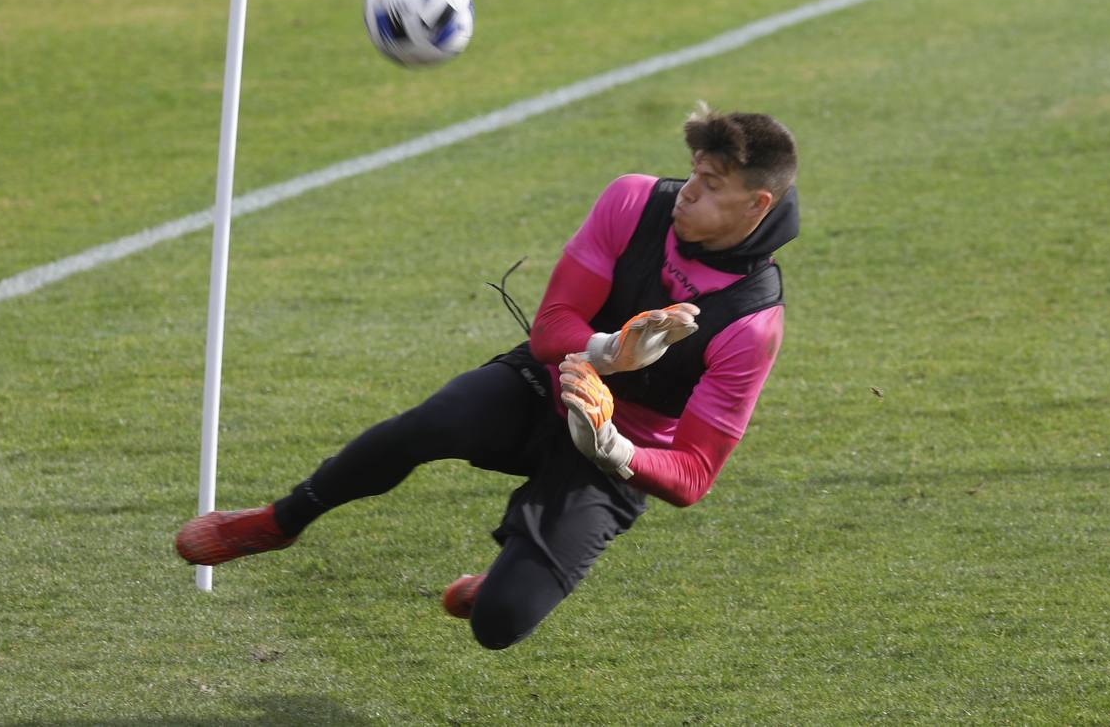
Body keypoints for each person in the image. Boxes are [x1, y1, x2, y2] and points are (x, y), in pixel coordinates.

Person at [175, 102, 800, 650]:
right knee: (431, 423)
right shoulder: (634, 201)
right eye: (692, 171)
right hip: (546, 383)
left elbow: (693, 475)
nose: (688, 190)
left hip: (616, 454)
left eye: (711, 184)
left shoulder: (751, 322)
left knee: (499, 625)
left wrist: (610, 446)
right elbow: (552, 327)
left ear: (757, 203)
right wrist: (607, 352)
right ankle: (279, 522)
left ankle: (498, 584)